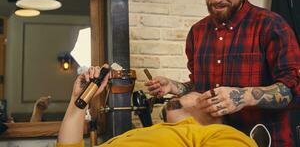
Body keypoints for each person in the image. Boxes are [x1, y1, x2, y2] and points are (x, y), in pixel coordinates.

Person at [144, 0, 300, 146]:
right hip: (211, 140)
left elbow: (293, 90)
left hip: (266, 140)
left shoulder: (271, 25)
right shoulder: (197, 32)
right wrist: (176, 86)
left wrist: (244, 96)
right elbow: (200, 87)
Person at [56, 64, 257, 147]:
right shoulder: (155, 132)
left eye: (192, 90)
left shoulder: (218, 135)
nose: (177, 93)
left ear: (213, 105)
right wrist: (78, 102)